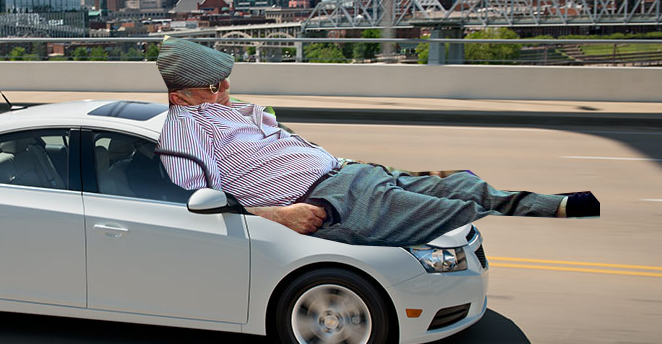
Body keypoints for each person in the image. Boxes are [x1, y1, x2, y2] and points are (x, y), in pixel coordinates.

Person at [155, 37, 599, 247]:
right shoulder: (182, 134)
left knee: (465, 184)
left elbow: (280, 142)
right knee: (454, 213)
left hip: (349, 173)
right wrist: (279, 214)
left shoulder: (229, 107)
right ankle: (540, 208)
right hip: (325, 203)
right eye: (214, 85)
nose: (225, 87)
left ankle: (559, 203)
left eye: (224, 79)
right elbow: (197, 198)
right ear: (180, 95)